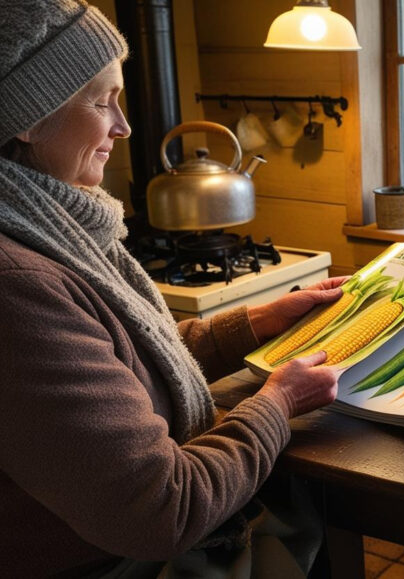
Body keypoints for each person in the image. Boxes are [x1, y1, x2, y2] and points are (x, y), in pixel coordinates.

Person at [0, 1, 345, 575]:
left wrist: (257, 322)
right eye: (100, 100)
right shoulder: (17, 285)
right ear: (27, 118)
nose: (123, 126)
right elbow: (163, 510)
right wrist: (278, 402)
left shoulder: (54, 227)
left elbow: (126, 368)